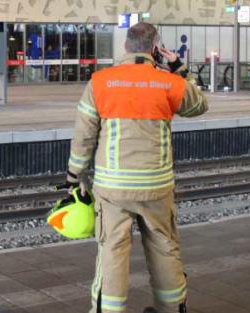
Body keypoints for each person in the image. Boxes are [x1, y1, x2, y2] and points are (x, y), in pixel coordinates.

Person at [65, 22, 207, 313]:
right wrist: (179, 67)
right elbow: (198, 105)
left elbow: (84, 136)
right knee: (165, 248)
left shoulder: (101, 82)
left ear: (125, 48)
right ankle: (172, 309)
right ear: (155, 49)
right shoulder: (168, 82)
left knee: (112, 252)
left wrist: (74, 176)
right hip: (157, 187)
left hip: (113, 189)